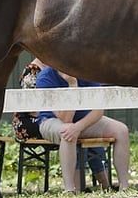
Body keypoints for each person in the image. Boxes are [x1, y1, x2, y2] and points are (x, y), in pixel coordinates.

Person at [11, 58, 111, 190]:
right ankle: (81, 186)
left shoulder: (66, 67)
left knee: (79, 131)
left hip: (59, 116)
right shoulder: (33, 71)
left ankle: (100, 184)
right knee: (71, 132)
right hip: (29, 122)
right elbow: (34, 109)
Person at [34, 66, 130, 193]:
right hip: (51, 121)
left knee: (121, 130)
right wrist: (72, 84)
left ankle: (124, 187)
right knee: (67, 132)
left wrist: (79, 127)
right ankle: (70, 189)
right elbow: (66, 118)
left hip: (83, 122)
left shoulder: (87, 71)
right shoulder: (45, 77)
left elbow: (98, 111)